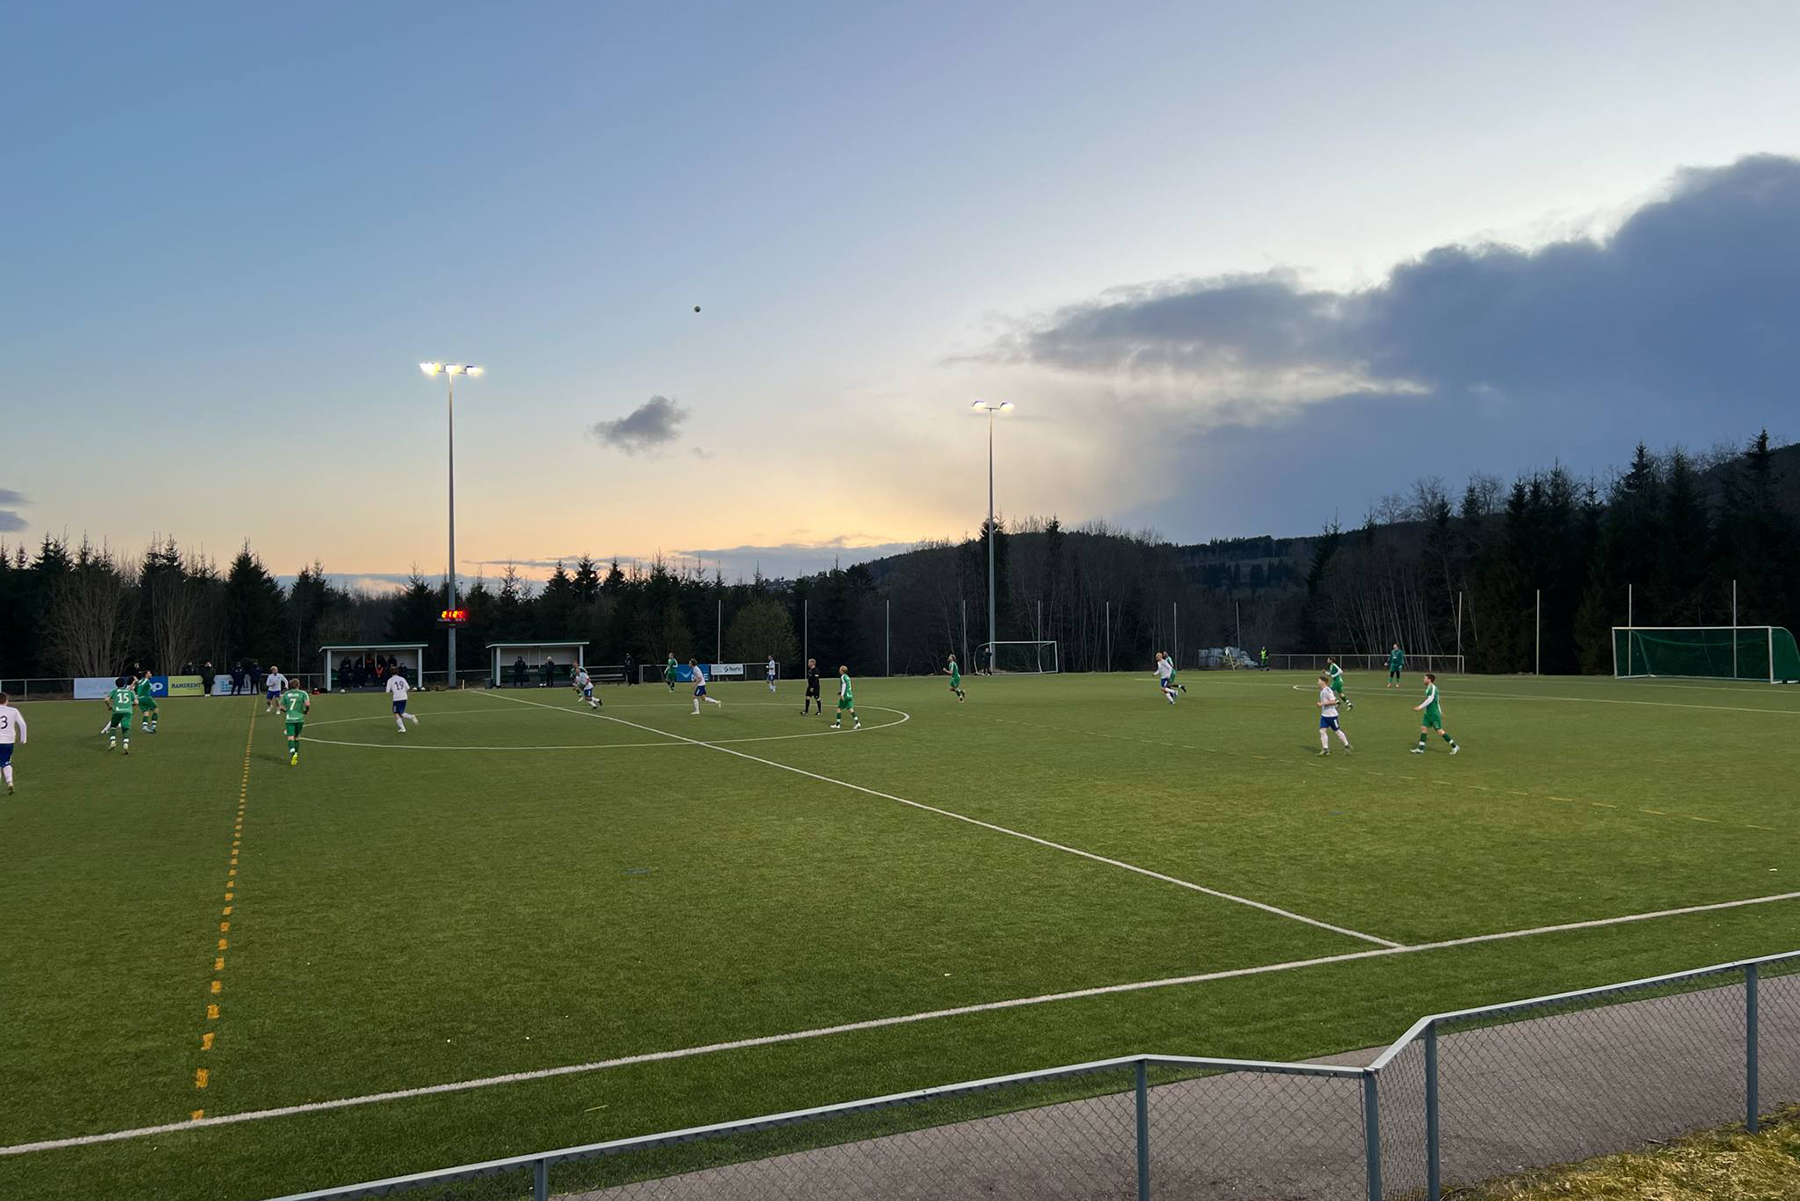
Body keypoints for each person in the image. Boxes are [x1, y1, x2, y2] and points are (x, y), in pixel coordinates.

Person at [1412, 673, 1460, 755]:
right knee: (1423, 728)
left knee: (1440, 731)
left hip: (1434, 714)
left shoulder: (1433, 688)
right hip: (1428, 714)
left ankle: (1455, 746)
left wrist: (1420, 707)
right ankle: (1420, 749)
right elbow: (1436, 701)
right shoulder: (1428, 688)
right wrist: (1441, 711)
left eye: (1425, 678)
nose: (1423, 679)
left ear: (1429, 680)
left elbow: (1431, 699)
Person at [1316, 674, 1351, 756]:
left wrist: (1322, 704)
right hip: (1324, 716)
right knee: (1322, 731)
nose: (1317, 682)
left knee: (1337, 731)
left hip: (1332, 716)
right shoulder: (1323, 691)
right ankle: (1325, 749)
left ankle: (1346, 745)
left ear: (1323, 682)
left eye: (1319, 680)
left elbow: (1333, 701)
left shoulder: (1328, 690)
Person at [0, 691, 26, 793]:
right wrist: (23, 739)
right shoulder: (13, 711)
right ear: (6, 700)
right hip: (8, 741)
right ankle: (10, 782)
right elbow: (22, 724)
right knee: (6, 762)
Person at [280, 679, 310, 766]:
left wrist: (287, 711)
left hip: (290, 719)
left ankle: (293, 753)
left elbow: (281, 707)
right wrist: (306, 711)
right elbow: (307, 704)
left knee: (290, 737)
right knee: (297, 737)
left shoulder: (286, 694)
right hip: (299, 718)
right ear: (298, 685)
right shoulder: (303, 693)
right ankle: (296, 753)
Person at [104, 675, 135, 753]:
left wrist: (109, 706)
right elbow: (136, 702)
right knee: (125, 728)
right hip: (127, 712)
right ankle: (125, 744)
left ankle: (113, 742)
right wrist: (129, 705)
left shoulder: (114, 691)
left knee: (113, 727)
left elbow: (106, 699)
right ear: (124, 684)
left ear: (116, 684)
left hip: (117, 711)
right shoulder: (129, 691)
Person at [388, 666, 419, 732]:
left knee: (396, 713)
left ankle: (403, 728)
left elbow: (388, 691)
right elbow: (407, 688)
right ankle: (411, 717)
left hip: (397, 698)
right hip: (404, 697)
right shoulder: (402, 678)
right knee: (401, 713)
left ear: (390, 672)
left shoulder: (390, 680)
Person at [830, 665, 860, 730]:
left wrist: (842, 695)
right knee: (850, 709)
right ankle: (857, 722)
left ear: (841, 670)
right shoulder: (848, 677)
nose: (839, 670)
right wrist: (841, 692)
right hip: (850, 695)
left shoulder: (843, 677)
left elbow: (844, 685)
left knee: (839, 709)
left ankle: (837, 724)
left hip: (845, 696)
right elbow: (848, 686)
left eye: (840, 669)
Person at [134, 669, 160, 734]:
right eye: (149, 673)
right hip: (146, 697)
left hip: (140, 699)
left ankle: (145, 726)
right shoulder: (146, 680)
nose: (151, 674)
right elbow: (140, 688)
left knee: (146, 712)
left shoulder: (139, 681)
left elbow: (135, 689)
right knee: (156, 709)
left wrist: (137, 696)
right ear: (146, 675)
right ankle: (153, 727)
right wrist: (140, 693)